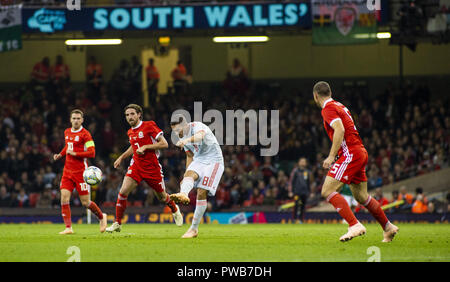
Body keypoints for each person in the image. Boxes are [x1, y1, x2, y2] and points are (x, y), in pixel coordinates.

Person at [312, 81, 398, 242]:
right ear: (329, 93)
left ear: (315, 96)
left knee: (327, 190)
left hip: (350, 153)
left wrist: (331, 156)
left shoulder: (328, 109)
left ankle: (354, 225)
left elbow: (340, 129)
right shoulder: (340, 106)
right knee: (361, 196)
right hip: (360, 152)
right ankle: (388, 227)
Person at [106, 104, 182, 233]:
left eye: (132, 114)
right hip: (136, 165)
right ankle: (117, 223)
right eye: (127, 115)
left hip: (152, 168)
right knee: (123, 191)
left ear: (139, 114)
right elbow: (134, 146)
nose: (129, 117)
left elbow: (164, 144)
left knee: (162, 197)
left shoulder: (149, 125)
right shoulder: (130, 131)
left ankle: (174, 209)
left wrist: (146, 147)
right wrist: (122, 157)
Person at [169, 114, 225, 238]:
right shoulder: (181, 135)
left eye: (178, 129)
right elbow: (189, 156)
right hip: (199, 160)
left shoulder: (197, 126)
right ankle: (183, 193)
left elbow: (200, 137)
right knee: (188, 176)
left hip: (214, 161)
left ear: (185, 124)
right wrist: (185, 175)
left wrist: (187, 140)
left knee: (201, 192)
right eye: (175, 131)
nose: (177, 133)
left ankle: (193, 229)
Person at [53, 109, 107, 235]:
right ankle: (68, 228)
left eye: (78, 118)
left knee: (85, 202)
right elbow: (68, 146)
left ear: (82, 120)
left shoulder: (85, 134)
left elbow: (92, 152)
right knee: (64, 198)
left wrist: (75, 154)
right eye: (74, 118)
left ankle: (101, 217)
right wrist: (60, 155)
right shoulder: (67, 132)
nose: (76, 121)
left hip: (81, 173)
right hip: (67, 172)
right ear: (70, 120)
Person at [288, 157, 313, 223]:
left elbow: (308, 183)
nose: (302, 163)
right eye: (301, 161)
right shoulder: (295, 171)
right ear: (299, 163)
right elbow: (291, 181)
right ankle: (294, 219)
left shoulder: (307, 172)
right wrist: (290, 191)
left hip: (304, 192)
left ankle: (301, 220)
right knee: (296, 205)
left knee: (303, 206)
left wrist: (310, 192)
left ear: (306, 163)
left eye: (304, 161)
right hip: (297, 192)